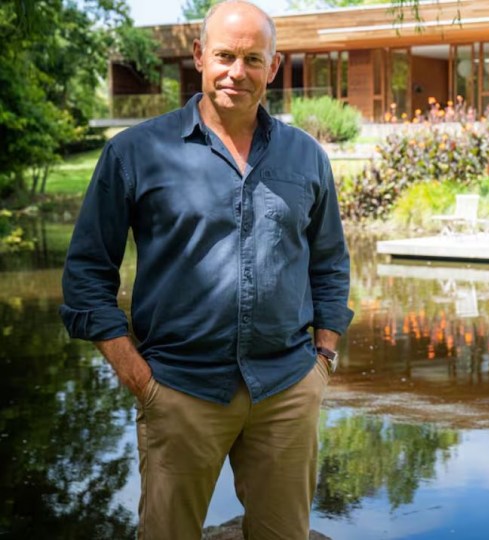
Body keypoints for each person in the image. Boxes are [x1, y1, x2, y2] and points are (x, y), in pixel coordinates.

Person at [59, 1, 353, 538]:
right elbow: (85, 279)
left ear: (274, 64)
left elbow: (330, 261)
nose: (236, 72)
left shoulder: (306, 156)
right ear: (199, 56)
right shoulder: (135, 153)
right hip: (178, 390)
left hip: (286, 390)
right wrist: (137, 377)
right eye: (224, 56)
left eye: (252, 59)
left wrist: (324, 357)